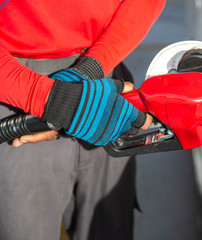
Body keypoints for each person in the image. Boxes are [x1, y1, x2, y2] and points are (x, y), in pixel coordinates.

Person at [0, 0, 165, 239]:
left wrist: (91, 68)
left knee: (110, 228)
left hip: (103, 76)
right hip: (15, 91)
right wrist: (49, 98)